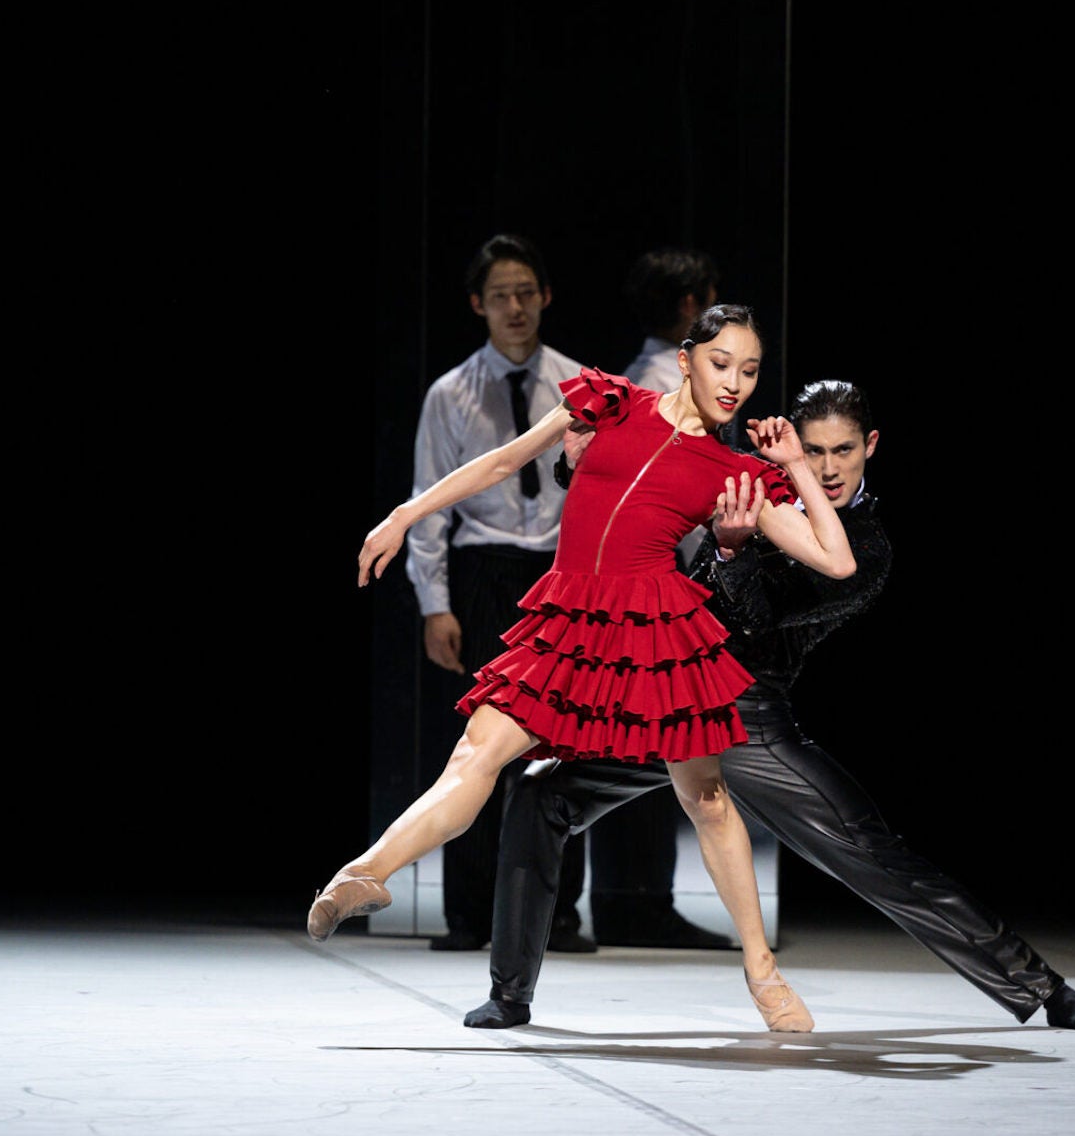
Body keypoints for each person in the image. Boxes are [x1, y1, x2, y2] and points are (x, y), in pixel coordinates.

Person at [463, 379, 1075, 1033]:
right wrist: (571, 457)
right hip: (670, 691)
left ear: (869, 446)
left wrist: (729, 551)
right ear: (789, 445)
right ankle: (509, 993)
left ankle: (1043, 988)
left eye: (844, 451)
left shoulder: (865, 547)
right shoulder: (755, 482)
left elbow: (758, 622)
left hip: (748, 710)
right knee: (538, 791)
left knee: (872, 855)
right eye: (813, 451)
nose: (829, 467)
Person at [311, 304, 858, 1033]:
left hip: (657, 629)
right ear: (687, 357)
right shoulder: (609, 401)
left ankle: (763, 972)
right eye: (721, 362)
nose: (734, 382)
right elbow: (503, 460)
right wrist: (405, 513)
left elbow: (837, 559)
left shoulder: (736, 473)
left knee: (708, 799)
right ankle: (364, 873)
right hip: (567, 620)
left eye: (750, 370)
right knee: (476, 751)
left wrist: (793, 464)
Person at [403, 234, 590, 953]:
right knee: (478, 742)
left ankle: (556, 915)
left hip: (559, 571)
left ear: (546, 296)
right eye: (500, 295)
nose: (515, 307)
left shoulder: (581, 385)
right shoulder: (449, 393)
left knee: (562, 745)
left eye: (526, 292)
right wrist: (434, 603)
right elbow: (428, 504)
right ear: (479, 305)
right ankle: (470, 913)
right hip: (482, 571)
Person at [577, 247, 734, 951]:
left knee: (643, 743)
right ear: (688, 310)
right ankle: (633, 903)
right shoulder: (657, 390)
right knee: (645, 744)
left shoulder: (646, 383)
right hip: (646, 584)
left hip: (640, 578)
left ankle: (636, 901)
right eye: (710, 302)